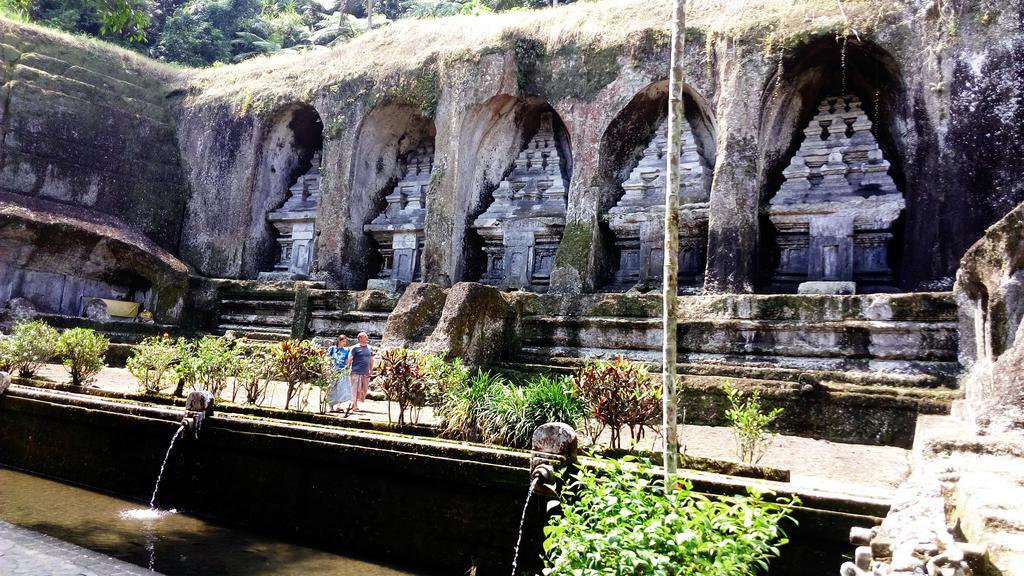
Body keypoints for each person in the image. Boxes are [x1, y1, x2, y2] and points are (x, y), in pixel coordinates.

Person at [345, 332, 373, 414]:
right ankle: (355, 405)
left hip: (365, 372)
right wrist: (347, 367)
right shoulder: (355, 348)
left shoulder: (370, 348)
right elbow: (350, 358)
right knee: (355, 389)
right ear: (360, 338)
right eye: (365, 336)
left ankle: (354, 403)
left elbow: (371, 359)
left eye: (367, 336)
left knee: (362, 390)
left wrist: (371, 369)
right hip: (356, 371)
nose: (367, 337)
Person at [325, 335, 351, 413]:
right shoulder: (332, 349)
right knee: (331, 387)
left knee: (341, 388)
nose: (344, 343)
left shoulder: (346, 350)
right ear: (339, 341)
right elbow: (327, 359)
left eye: (345, 341)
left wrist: (347, 368)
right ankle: (330, 406)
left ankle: (338, 406)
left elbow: (347, 361)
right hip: (333, 370)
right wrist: (327, 369)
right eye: (343, 341)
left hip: (342, 370)